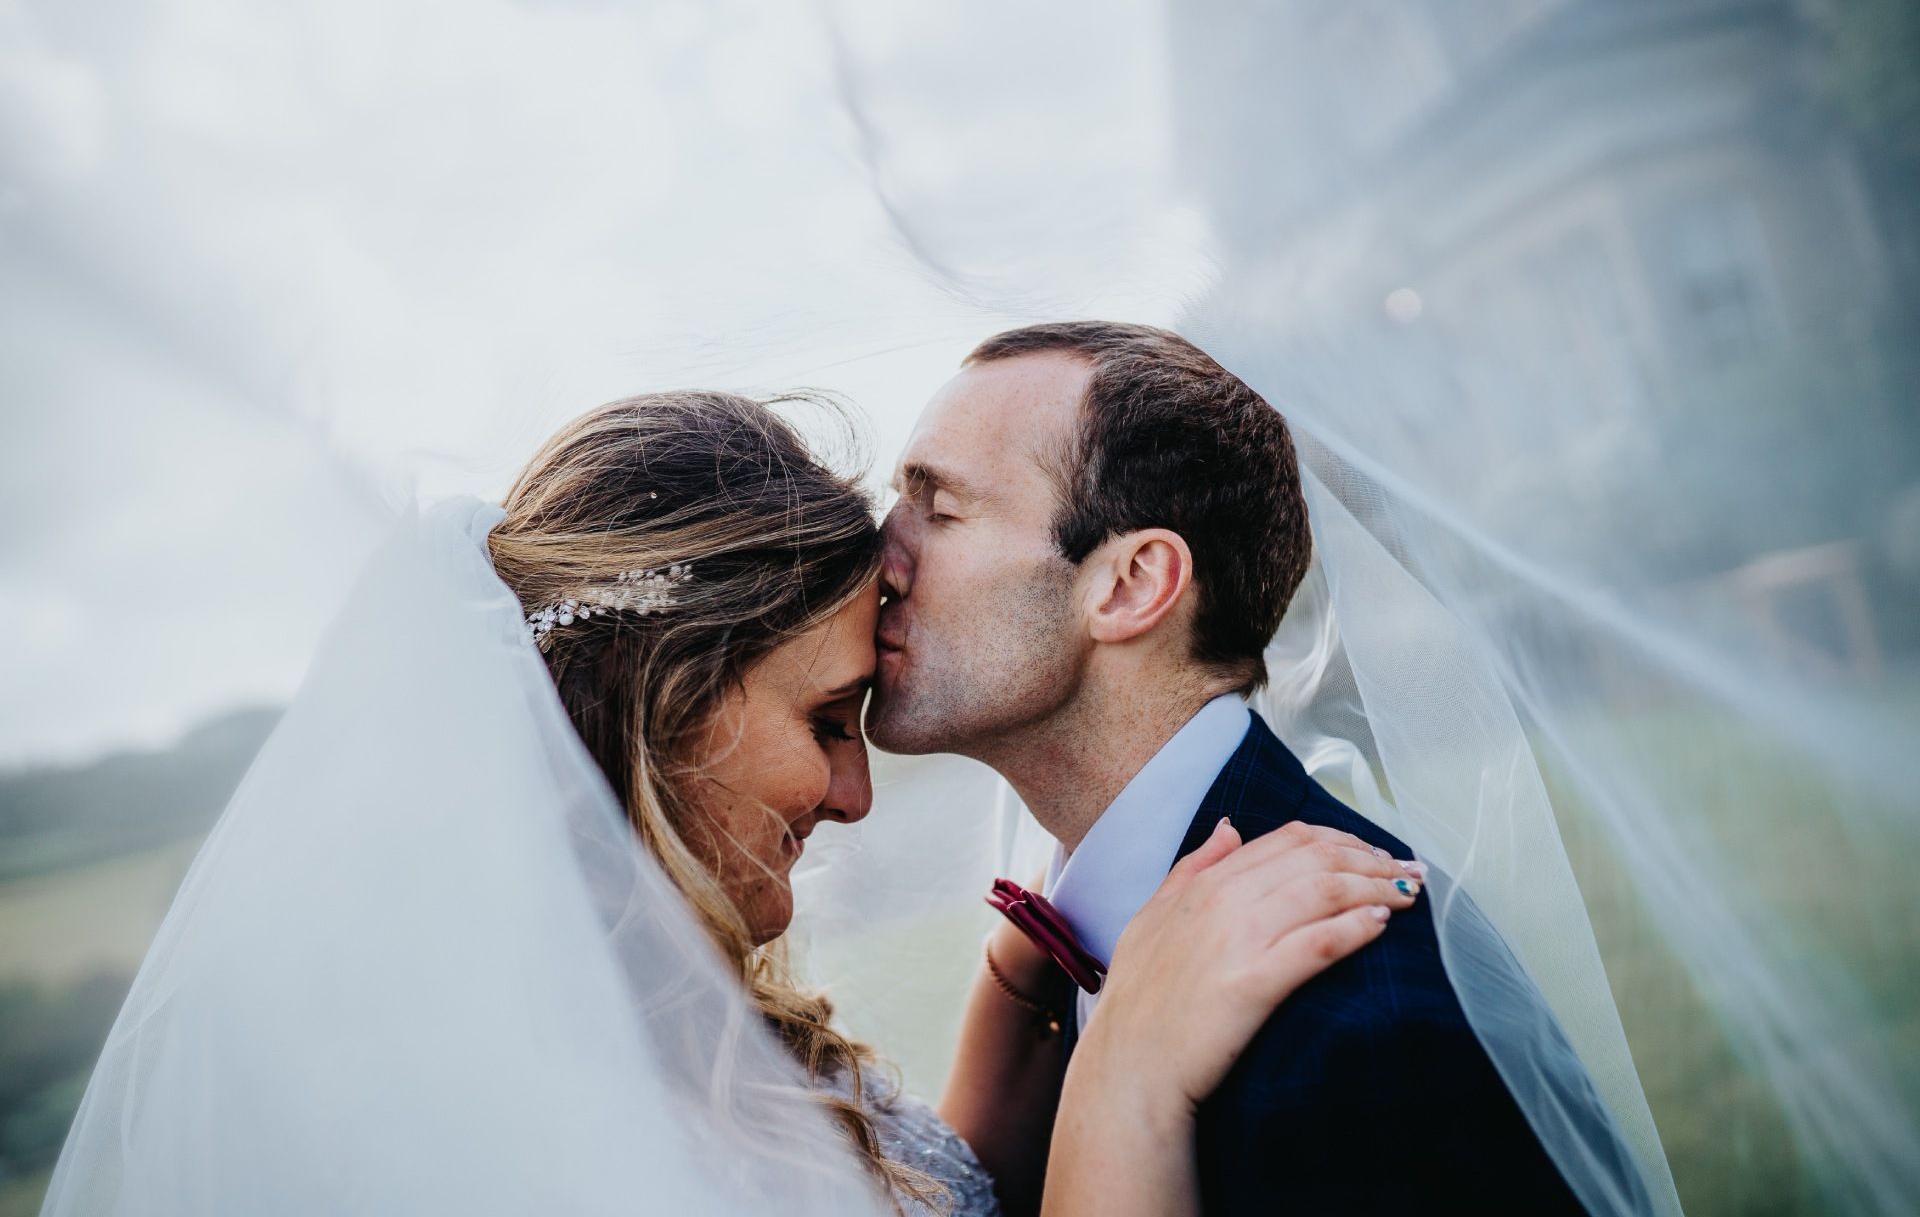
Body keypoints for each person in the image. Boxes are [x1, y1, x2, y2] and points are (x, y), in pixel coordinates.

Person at [43, 389, 1415, 1217]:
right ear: (662, 703)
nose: (857, 794)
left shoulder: (663, 1020)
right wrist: (1127, 1090)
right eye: (825, 720)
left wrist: (1024, 984)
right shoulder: (455, 1127)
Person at [871, 322, 1645, 1214]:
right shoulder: (1084, 949)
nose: (879, 560)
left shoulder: (1364, 1034)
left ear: (1130, 584)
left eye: (940, 509)